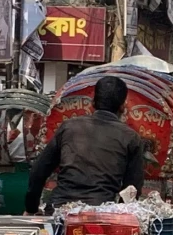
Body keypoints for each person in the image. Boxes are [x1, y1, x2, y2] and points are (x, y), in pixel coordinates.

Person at [28, 74, 148, 208]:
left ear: (93, 102)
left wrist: (31, 208)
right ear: (122, 106)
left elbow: (39, 170)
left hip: (60, 209)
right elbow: (132, 188)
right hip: (100, 213)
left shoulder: (69, 127)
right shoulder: (131, 137)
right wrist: (119, 216)